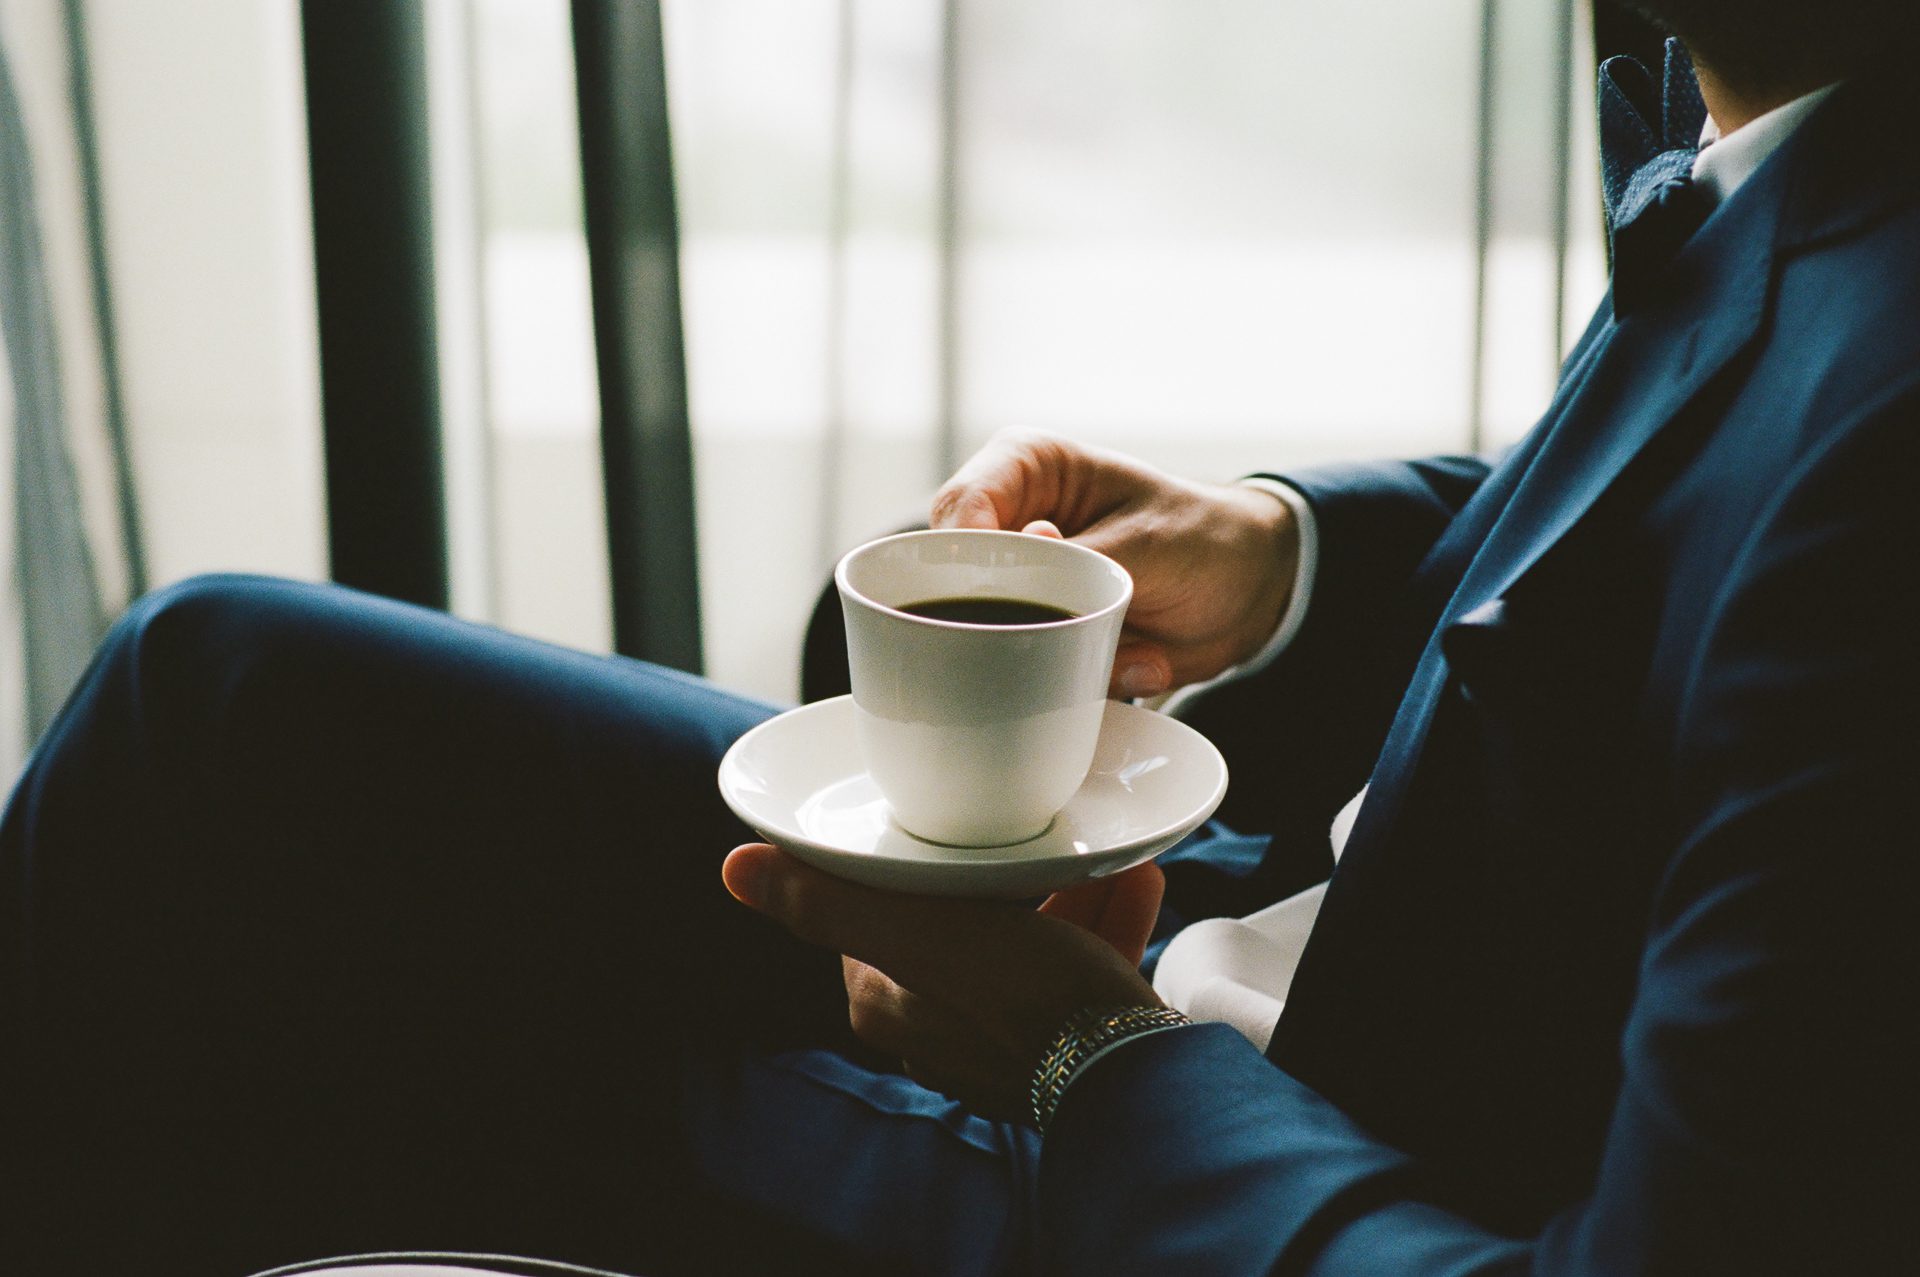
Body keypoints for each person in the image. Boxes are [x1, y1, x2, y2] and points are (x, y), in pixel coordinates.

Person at [4, 2, 1917, 1273]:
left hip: (1245, 1155)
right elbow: (1688, 509)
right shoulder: (1798, 123)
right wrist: (1289, 557)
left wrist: (1079, 1062)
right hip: (1268, 941)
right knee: (224, 698)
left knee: (278, 946)